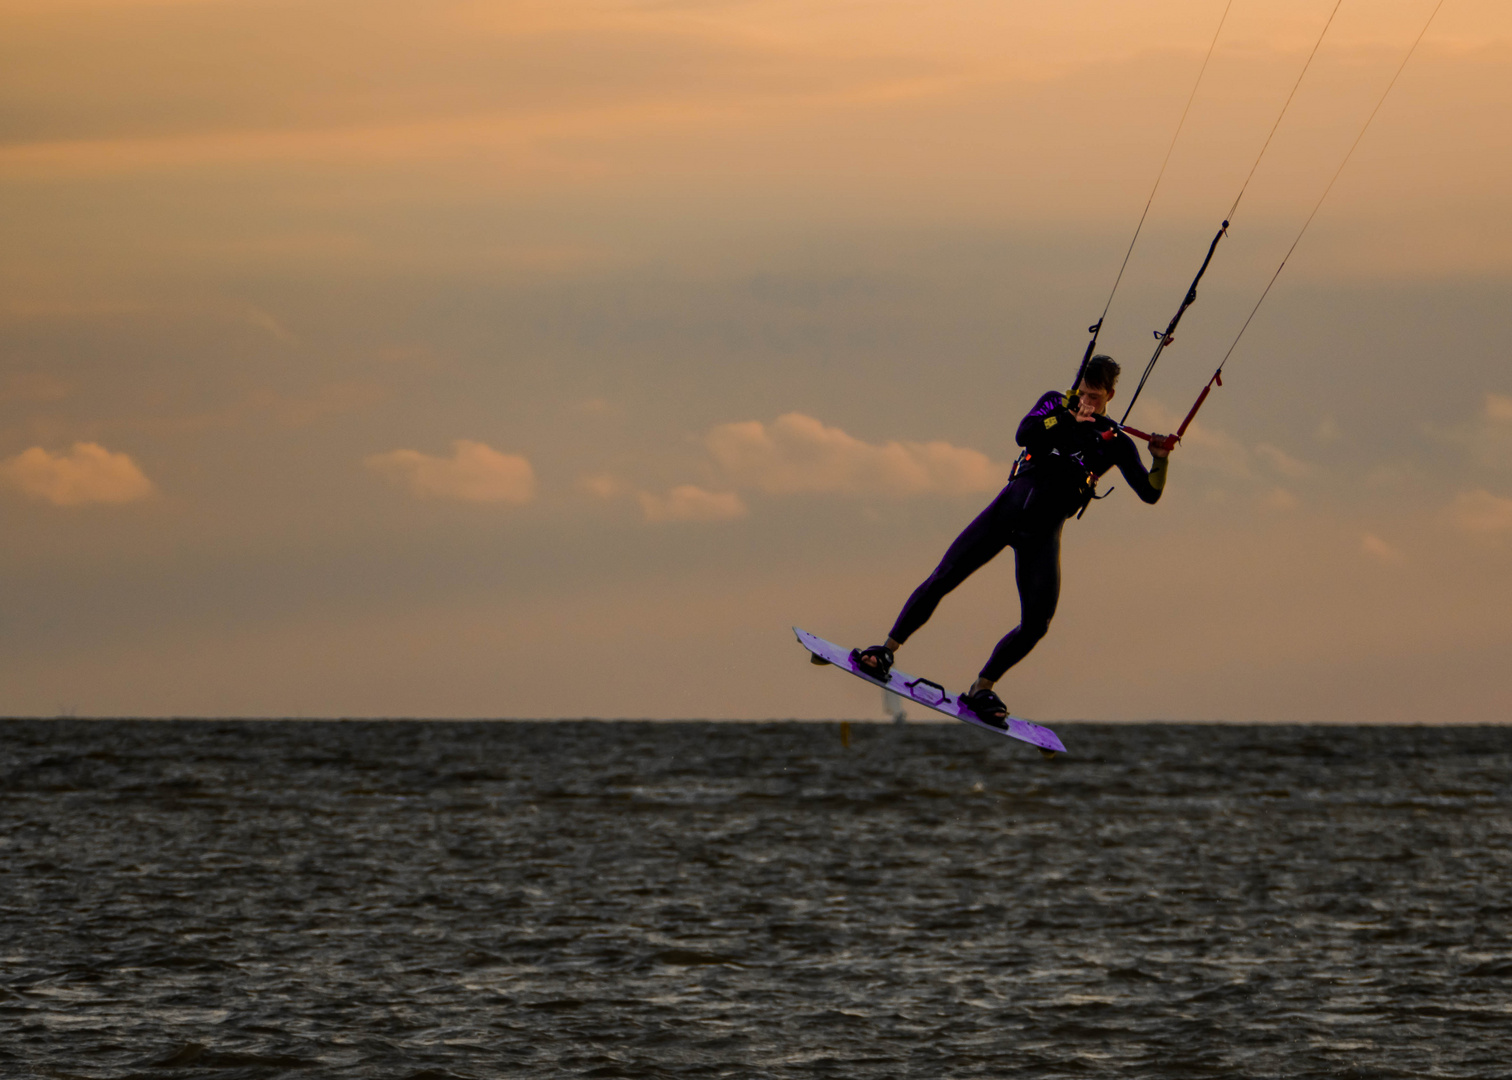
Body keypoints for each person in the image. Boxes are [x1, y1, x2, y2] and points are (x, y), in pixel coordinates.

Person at [849, 355, 1173, 726]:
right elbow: (1024, 433)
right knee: (944, 576)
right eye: (1083, 392)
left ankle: (981, 688)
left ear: (1111, 395)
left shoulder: (1115, 440)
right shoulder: (1055, 403)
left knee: (1037, 624)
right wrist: (1068, 416)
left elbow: (1150, 493)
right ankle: (887, 650)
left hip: (1042, 535)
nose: (1087, 401)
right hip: (1005, 514)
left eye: (1095, 397)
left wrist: (1160, 459)